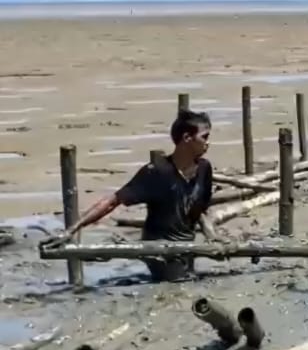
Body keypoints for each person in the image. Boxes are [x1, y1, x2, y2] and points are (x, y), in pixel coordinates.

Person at [54, 110, 219, 282]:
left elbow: (199, 210)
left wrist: (212, 236)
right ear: (187, 138)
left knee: (186, 281)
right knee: (178, 286)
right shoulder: (156, 172)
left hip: (187, 246)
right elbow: (113, 201)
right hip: (159, 249)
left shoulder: (204, 170)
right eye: (204, 137)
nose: (208, 143)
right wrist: (72, 230)